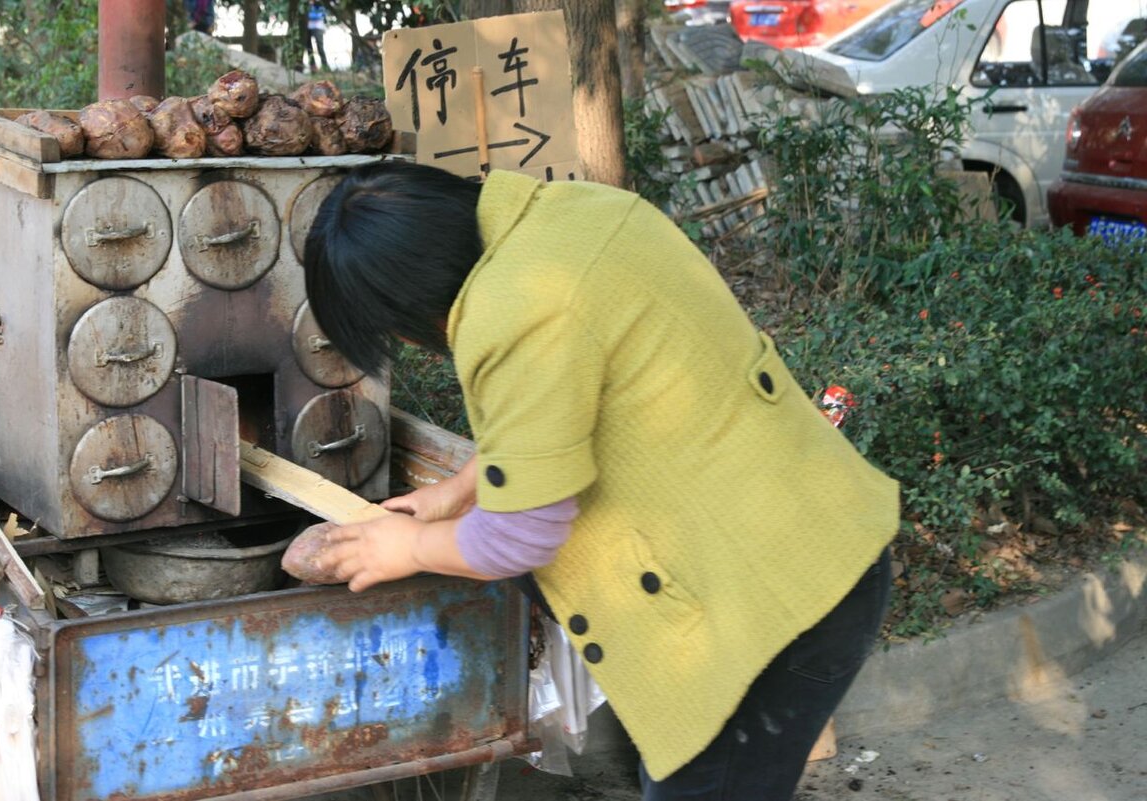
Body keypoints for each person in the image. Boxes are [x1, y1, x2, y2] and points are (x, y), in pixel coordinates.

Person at [297, 161, 898, 801]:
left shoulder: (510, 314)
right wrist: (460, 488)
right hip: (812, 553)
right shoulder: (580, 215)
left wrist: (403, 547)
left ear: (407, 306)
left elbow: (519, 539)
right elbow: (579, 390)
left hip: (766, 617)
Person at [306, 1, 329, 72]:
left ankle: (325, 66)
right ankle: (313, 67)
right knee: (309, 49)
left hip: (318, 27)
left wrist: (310, 15)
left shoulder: (319, 5)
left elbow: (321, 15)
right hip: (308, 28)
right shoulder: (306, 5)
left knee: (320, 47)